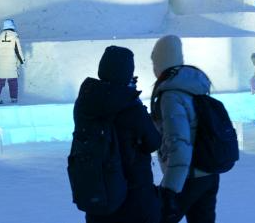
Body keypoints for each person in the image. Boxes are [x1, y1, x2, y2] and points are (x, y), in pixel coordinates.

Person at [73, 45, 160, 223]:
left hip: (99, 194)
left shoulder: (86, 102)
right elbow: (153, 142)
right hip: (134, 196)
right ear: (128, 72)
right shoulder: (131, 106)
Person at [150, 34, 219, 222]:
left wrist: (169, 191)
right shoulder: (193, 86)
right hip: (209, 175)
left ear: (161, 63)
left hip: (187, 178)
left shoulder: (171, 96)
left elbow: (179, 145)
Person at [0, 19, 25, 104]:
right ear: (12, 27)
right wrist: (22, 60)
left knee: (0, 80)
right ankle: (14, 98)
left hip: (1, 62)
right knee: (13, 81)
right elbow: (18, 50)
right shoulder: (15, 37)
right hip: (11, 63)